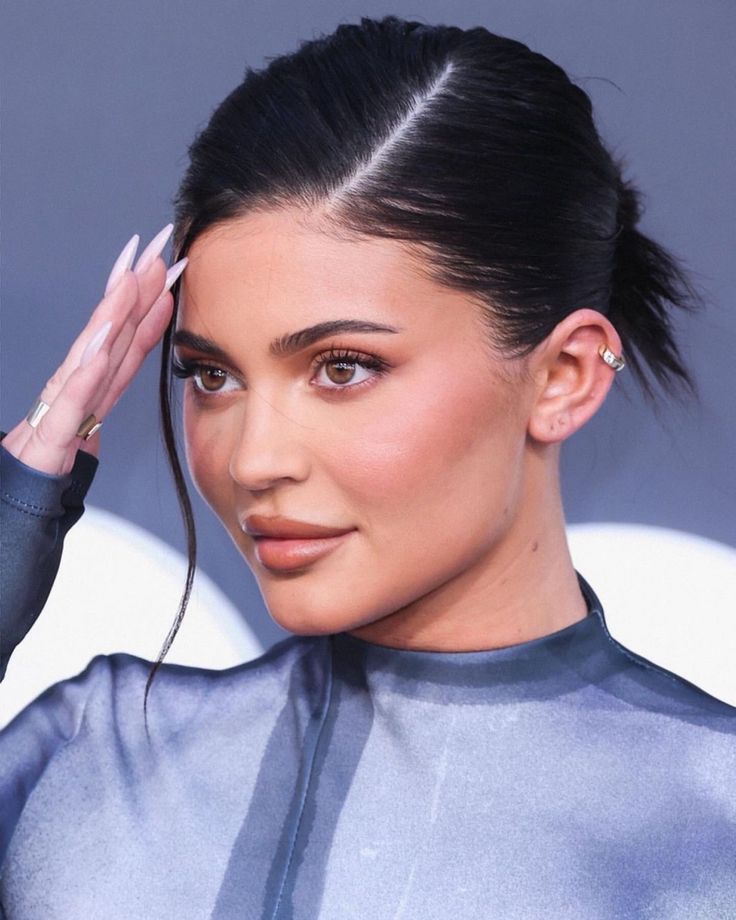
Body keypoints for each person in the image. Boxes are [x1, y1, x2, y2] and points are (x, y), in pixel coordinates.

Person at [1, 15, 734, 918]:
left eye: (342, 369)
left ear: (563, 377)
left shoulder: (710, 821)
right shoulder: (88, 756)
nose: (254, 460)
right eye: (211, 375)